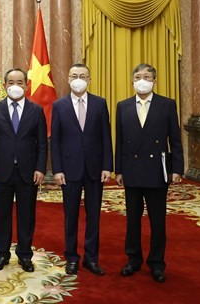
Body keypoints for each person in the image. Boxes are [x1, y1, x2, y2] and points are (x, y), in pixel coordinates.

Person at [115, 63, 184, 283]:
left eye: (147, 76)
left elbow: (174, 139)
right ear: (132, 80)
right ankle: (133, 260)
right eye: (138, 76)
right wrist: (119, 170)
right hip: (132, 172)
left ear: (155, 80)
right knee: (132, 220)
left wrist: (177, 169)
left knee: (157, 221)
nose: (142, 80)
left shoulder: (167, 105)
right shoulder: (123, 106)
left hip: (157, 172)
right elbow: (119, 142)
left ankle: (156, 263)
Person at [51, 63, 112, 276]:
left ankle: (91, 258)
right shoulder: (59, 106)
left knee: (94, 215)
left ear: (89, 80)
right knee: (71, 215)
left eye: (83, 76)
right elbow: (55, 141)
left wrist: (107, 165)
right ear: (68, 79)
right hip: (69, 170)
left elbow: (106, 136)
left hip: (95, 169)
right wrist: (57, 169)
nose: (78, 79)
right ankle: (71, 257)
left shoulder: (100, 103)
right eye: (74, 75)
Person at [0, 68, 47, 273]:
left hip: (28, 172)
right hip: (1, 171)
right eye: (11, 82)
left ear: (26, 85)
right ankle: (2, 253)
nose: (15, 86)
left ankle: (25, 254)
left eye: (19, 82)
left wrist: (40, 168)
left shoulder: (36, 110)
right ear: (4, 85)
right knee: (1, 215)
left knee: (27, 215)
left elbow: (42, 144)